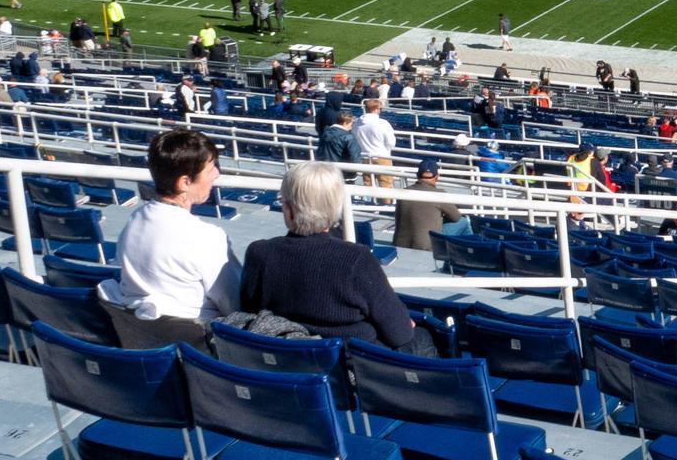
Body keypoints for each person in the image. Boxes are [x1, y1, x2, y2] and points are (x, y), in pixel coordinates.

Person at [240, 162, 435, 353]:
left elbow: (253, 316)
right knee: (425, 336)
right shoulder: (355, 259)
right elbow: (399, 334)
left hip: (291, 363)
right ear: (335, 208)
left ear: (288, 209)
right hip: (351, 367)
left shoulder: (259, 253)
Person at [100, 129, 240, 345]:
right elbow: (234, 304)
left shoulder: (134, 221)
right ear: (184, 182)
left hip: (143, 341)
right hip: (199, 350)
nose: (216, 175)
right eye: (211, 168)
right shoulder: (207, 237)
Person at [392, 158, 462, 250]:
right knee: (463, 222)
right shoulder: (440, 194)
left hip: (399, 244)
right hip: (426, 247)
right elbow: (456, 217)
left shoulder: (403, 192)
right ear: (437, 177)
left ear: (417, 175)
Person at [354, 97, 396, 187]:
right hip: (382, 156)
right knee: (386, 185)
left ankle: (370, 201)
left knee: (368, 184)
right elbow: (391, 143)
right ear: (376, 109)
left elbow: (355, 138)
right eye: (380, 109)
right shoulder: (383, 123)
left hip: (365, 156)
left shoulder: (356, 122)